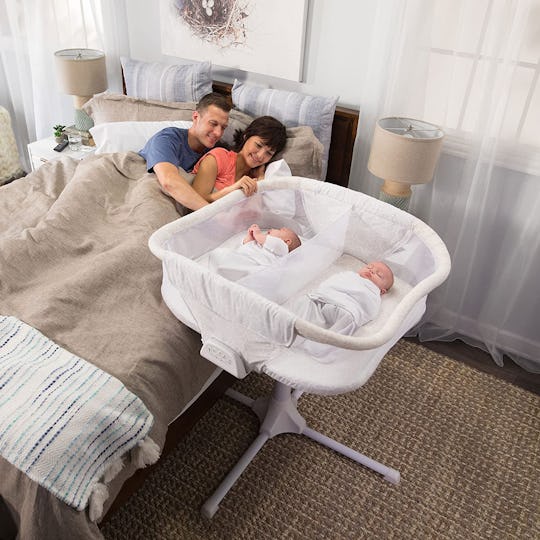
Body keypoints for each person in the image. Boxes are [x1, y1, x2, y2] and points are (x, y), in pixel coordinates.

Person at [139, 92, 231, 211]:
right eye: (213, 124)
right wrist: (211, 214)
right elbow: (168, 181)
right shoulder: (167, 139)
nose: (218, 133)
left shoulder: (216, 153)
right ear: (196, 117)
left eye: (223, 127)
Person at [291, 261, 394, 360]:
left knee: (348, 321)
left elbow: (371, 309)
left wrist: (356, 312)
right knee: (305, 301)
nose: (371, 271)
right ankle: (296, 331)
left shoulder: (374, 292)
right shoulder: (349, 275)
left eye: (378, 274)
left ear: (382, 291)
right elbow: (331, 282)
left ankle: (319, 348)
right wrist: (324, 292)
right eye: (369, 267)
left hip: (346, 309)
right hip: (322, 298)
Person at [191, 116, 287, 202]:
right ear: (246, 137)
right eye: (258, 145)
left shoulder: (256, 178)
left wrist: (261, 179)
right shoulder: (218, 157)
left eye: (268, 153)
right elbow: (194, 204)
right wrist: (233, 190)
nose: (260, 156)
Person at [206, 223, 301, 281]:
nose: (273, 229)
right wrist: (250, 237)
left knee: (262, 275)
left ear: (287, 241)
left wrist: (257, 233)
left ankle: (231, 275)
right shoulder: (260, 244)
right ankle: (226, 274)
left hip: (258, 268)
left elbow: (269, 241)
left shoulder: (282, 248)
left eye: (280, 230)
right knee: (219, 254)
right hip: (243, 261)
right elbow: (247, 246)